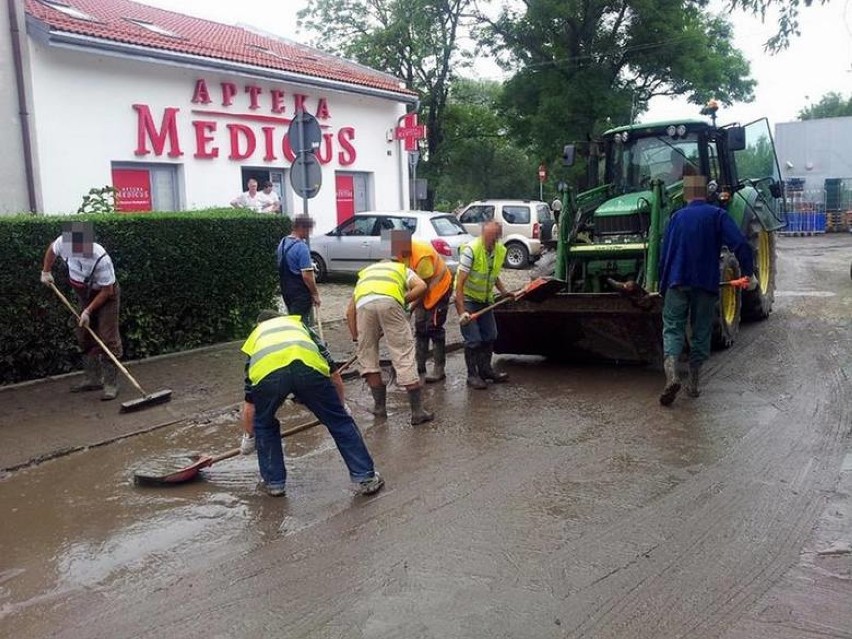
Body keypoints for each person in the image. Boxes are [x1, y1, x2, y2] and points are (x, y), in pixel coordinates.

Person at [239, 310, 384, 497]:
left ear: (259, 325)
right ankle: (366, 478)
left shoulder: (256, 337)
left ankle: (274, 483)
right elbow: (334, 374)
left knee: (265, 424)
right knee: (339, 422)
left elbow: (250, 403)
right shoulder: (300, 326)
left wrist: (250, 436)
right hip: (307, 368)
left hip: (269, 376)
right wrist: (340, 408)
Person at [658, 175, 756, 405]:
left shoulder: (675, 218)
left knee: (672, 329)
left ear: (687, 194)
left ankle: (672, 375)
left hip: (676, 281)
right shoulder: (717, 215)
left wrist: (663, 285)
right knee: (701, 330)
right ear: (706, 192)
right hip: (704, 284)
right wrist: (748, 273)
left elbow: (664, 256)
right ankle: (692, 384)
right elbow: (740, 243)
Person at [345, 258, 434, 425]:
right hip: (391, 304)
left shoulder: (365, 275)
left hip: (364, 306)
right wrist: (402, 300)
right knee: (403, 353)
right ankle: (417, 412)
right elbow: (422, 286)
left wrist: (357, 337)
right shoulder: (401, 269)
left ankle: (379, 407)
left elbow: (349, 312)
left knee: (368, 357)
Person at [40, 221, 122, 400]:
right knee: (83, 334)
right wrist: (46, 271)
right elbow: (52, 250)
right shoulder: (65, 243)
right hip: (84, 294)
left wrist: (88, 311)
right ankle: (93, 379)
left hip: (105, 296)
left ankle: (110, 384)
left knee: (108, 337)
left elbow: (107, 291)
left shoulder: (100, 258)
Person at [454, 220, 518, 389]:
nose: (490, 240)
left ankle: (486, 371)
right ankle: (472, 375)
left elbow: (493, 274)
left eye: (494, 237)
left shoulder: (499, 250)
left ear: (498, 237)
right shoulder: (471, 250)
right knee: (473, 340)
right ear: (483, 233)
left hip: (485, 300)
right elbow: (459, 284)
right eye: (487, 236)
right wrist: (461, 312)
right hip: (468, 299)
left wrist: (504, 292)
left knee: (490, 335)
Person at [391, 229, 452, 383]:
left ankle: (439, 369)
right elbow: (405, 279)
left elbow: (424, 287)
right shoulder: (400, 252)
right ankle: (419, 366)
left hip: (438, 289)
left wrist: (410, 307)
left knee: (434, 327)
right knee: (420, 327)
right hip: (422, 289)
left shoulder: (422, 255)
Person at [277, 215, 320, 325]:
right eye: (309, 229)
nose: (309, 233)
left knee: (293, 321)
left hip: (286, 290)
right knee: (301, 325)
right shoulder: (301, 247)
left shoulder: (283, 242)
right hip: (300, 293)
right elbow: (307, 276)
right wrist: (315, 294)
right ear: (301, 228)